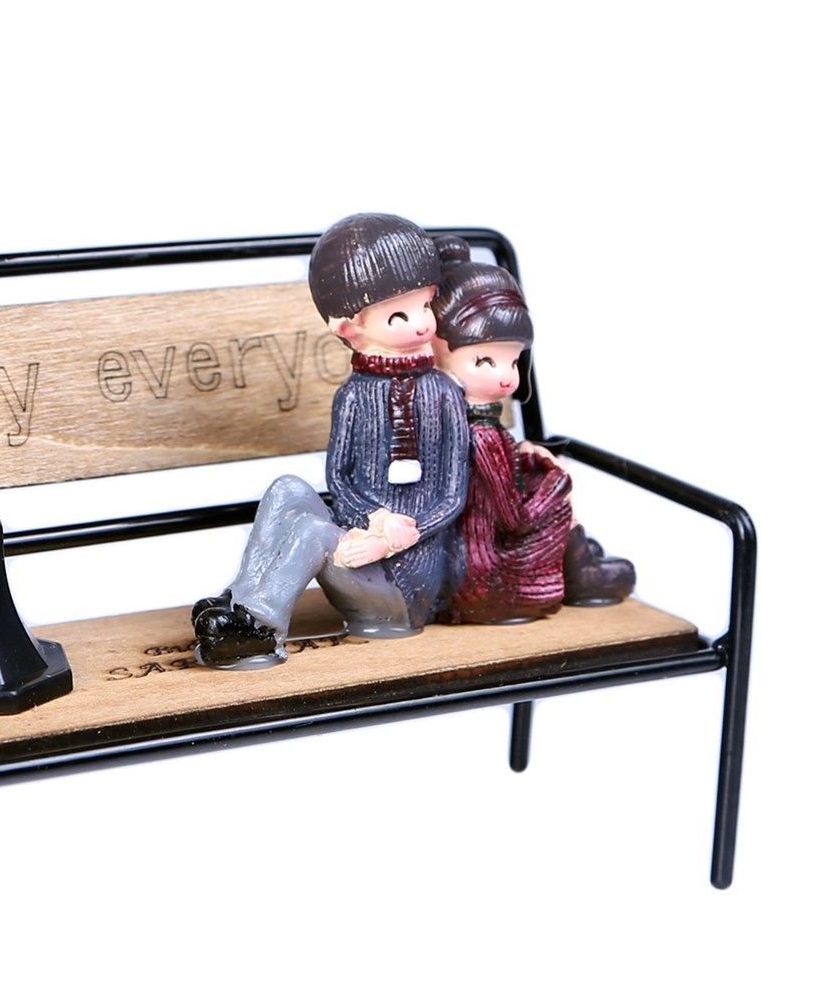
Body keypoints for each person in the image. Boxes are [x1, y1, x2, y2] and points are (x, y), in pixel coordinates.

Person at [193, 213, 469, 666]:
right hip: (360, 546)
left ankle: (259, 628)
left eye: (425, 306)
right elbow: (339, 479)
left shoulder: (441, 393)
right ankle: (240, 601)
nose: (422, 324)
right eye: (399, 314)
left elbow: (453, 495)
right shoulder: (355, 394)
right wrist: (374, 518)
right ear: (350, 329)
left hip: (406, 579)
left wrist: (392, 540)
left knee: (315, 532)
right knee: (287, 489)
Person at [431, 237, 634, 621]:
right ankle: (581, 567)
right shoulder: (480, 434)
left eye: (513, 361)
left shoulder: (442, 419)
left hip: (457, 563)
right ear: (434, 351)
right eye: (485, 361)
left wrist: (523, 456)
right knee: (554, 487)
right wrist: (555, 482)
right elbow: (515, 519)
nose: (507, 378)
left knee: (542, 472)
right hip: (485, 575)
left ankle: (580, 557)